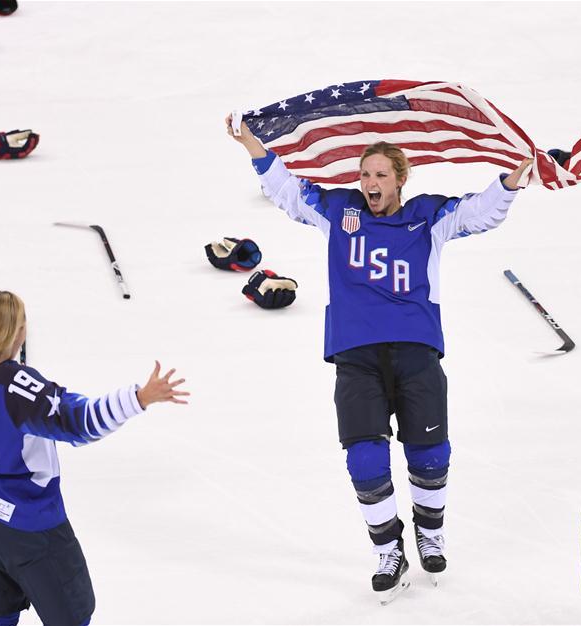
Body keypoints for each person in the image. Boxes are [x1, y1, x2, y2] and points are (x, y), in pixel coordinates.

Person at [227, 114, 533, 602]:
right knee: (365, 458)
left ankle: (430, 532)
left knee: (430, 456)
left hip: (416, 351)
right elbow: (287, 192)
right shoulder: (338, 211)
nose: (370, 182)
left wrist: (513, 180)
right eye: (365, 174)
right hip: (355, 353)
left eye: (380, 175)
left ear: (400, 180)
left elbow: (479, 212)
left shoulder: (427, 218)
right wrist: (251, 144)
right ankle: (388, 549)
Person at [0, 290, 189, 626]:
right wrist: (139, 398)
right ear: (19, 333)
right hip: (28, 529)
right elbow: (79, 422)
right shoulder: (17, 390)